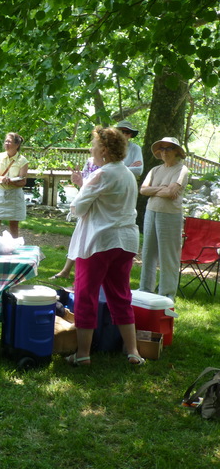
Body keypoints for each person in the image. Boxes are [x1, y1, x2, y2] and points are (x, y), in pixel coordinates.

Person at [65, 126, 144, 366]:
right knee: (121, 295)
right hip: (126, 241)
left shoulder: (101, 174)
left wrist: (78, 189)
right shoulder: (128, 174)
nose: (91, 150)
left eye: (94, 146)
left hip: (100, 241)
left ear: (105, 150)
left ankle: (83, 354)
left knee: (85, 295)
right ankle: (133, 352)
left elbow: (78, 208)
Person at [139, 137, 189, 300]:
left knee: (168, 255)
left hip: (170, 215)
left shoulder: (181, 170)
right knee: (148, 253)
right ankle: (145, 290)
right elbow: (143, 190)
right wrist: (162, 188)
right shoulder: (155, 170)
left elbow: (170, 192)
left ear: (177, 152)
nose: (164, 152)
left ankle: (167, 295)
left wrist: (154, 190)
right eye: (162, 149)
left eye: (168, 148)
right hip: (151, 212)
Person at [0, 132, 28, 238]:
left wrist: (11, 182)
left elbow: (23, 182)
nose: (6, 143)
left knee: (14, 226)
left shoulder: (23, 161)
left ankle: (14, 245)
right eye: (6, 141)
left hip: (14, 196)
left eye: (9, 142)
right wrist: (2, 179)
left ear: (17, 145)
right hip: (0, 194)